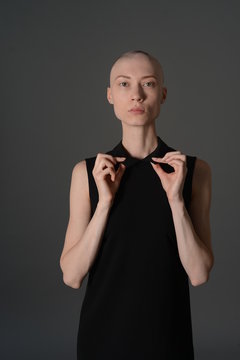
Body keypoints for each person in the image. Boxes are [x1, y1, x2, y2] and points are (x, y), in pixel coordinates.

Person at [59, 50, 214, 359]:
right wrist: (104, 203)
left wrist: (176, 200)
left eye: (149, 83)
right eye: (124, 84)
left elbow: (198, 273)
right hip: (101, 341)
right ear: (110, 95)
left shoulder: (193, 171)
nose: (137, 95)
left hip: (168, 341)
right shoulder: (88, 173)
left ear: (163, 94)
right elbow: (71, 276)